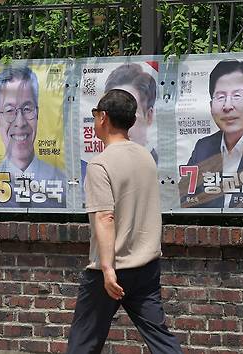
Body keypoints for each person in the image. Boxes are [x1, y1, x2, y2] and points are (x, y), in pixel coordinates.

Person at [67, 89, 182, 354]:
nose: (95, 120)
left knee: (83, 344)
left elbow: (105, 218)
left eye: (95, 115)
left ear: (103, 118)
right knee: (160, 338)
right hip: (146, 266)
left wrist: (107, 270)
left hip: (110, 270)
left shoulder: (100, 165)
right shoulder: (146, 158)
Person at [179, 59, 243, 208]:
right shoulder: (203, 147)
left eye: (237, 95)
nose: (227, 106)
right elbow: (183, 197)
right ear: (211, 105)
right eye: (220, 97)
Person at [0, 66, 66, 208]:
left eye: (27, 109)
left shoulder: (62, 183)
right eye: (9, 111)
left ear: (37, 113)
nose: (20, 122)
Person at [104, 63, 158, 162]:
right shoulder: (103, 164)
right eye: (112, 112)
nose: (118, 123)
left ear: (149, 116)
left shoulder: (156, 166)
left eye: (129, 112)